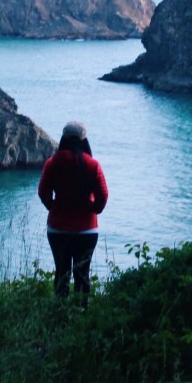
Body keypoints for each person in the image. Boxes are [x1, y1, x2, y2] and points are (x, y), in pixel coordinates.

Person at [37, 121, 108, 302]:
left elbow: (43, 191)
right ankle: (81, 316)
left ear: (63, 139)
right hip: (87, 229)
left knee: (61, 273)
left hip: (58, 228)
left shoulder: (52, 163)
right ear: (85, 141)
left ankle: (60, 315)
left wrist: (52, 206)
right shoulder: (93, 165)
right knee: (82, 275)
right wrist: (94, 210)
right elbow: (103, 196)